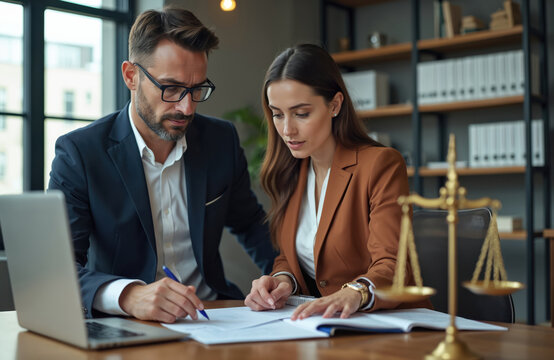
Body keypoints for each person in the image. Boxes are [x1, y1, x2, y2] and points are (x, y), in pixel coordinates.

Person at [48, 7, 276, 323]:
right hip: (126, 324)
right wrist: (127, 295)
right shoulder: (80, 154)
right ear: (131, 76)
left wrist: (283, 277)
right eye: (171, 88)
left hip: (216, 317)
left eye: (197, 89)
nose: (186, 106)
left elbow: (251, 224)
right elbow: (58, 267)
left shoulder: (220, 141)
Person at [244, 44, 432, 319]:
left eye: (302, 113)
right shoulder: (290, 171)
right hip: (328, 327)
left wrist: (355, 293)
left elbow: (393, 264)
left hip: (391, 323)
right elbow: (289, 255)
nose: (287, 130)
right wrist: (282, 281)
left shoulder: (380, 165)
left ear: (334, 105)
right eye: (277, 114)